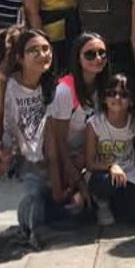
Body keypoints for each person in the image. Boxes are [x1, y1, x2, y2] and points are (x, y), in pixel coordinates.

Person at [0, 29, 70, 249]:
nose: (42, 54)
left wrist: (55, 178)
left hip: (41, 159)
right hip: (12, 160)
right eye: (33, 50)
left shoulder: (52, 88)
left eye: (46, 49)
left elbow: (51, 136)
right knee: (31, 196)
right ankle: (29, 229)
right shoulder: (8, 87)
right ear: (20, 58)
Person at [45, 33, 111, 220]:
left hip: (88, 155)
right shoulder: (64, 91)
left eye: (102, 53)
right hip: (63, 159)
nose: (98, 58)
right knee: (72, 205)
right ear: (77, 58)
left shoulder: (104, 87)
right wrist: (79, 183)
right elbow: (58, 145)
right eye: (90, 54)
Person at [85, 73, 135, 227]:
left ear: (131, 101)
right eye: (111, 93)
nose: (117, 98)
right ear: (104, 98)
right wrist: (111, 166)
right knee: (104, 183)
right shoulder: (95, 124)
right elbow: (89, 163)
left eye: (123, 95)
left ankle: (118, 206)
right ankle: (102, 204)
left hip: (128, 173)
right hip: (102, 173)